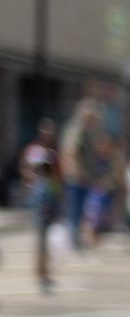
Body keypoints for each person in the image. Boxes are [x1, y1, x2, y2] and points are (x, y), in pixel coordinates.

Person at [19, 119, 63, 293]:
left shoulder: (53, 152)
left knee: (48, 236)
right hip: (41, 197)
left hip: (52, 196)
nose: (49, 135)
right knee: (42, 236)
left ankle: (45, 270)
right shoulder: (36, 150)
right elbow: (27, 170)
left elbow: (59, 176)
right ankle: (41, 272)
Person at [59, 98, 105, 250]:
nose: (95, 120)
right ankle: (73, 241)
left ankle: (77, 239)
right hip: (77, 177)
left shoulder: (86, 130)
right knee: (75, 209)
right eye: (93, 116)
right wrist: (78, 173)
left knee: (82, 209)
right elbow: (70, 153)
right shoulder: (76, 129)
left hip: (84, 177)